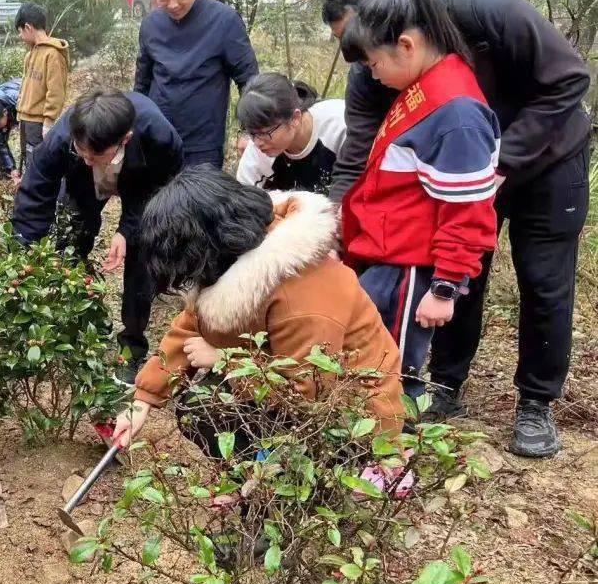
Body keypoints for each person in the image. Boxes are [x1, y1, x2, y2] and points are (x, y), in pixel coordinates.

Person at [324, 0, 591, 458]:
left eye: (360, 41)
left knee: (544, 280)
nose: (359, 61)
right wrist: (334, 217)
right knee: (458, 265)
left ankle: (535, 401)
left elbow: (569, 80)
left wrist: (500, 161)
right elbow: (361, 146)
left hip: (544, 156)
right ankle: (446, 382)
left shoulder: (486, 10)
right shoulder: (373, 66)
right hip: (460, 169)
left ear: (396, 18)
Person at [112, 168, 404, 452]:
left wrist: (224, 360)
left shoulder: (301, 295)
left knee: (207, 409)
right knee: (203, 406)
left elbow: (307, 394)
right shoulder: (236, 250)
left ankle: (267, 486)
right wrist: (143, 400)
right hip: (285, 374)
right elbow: (192, 323)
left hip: (352, 422)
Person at [338, 0, 498, 410]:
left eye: (374, 63)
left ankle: (392, 453)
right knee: (370, 355)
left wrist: (445, 288)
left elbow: (466, 210)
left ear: (406, 45)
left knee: (393, 366)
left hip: (409, 268)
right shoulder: (423, 86)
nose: (373, 76)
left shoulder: (456, 113)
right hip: (388, 255)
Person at [12, 89, 184, 384]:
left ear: (125, 139)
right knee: (71, 239)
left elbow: (159, 192)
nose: (89, 158)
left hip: (141, 183)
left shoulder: (159, 137)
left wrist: (127, 231)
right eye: (82, 151)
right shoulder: (64, 137)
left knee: (141, 262)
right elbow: (36, 191)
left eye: (96, 154)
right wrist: (27, 250)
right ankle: (74, 325)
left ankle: (132, 347)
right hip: (84, 185)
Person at [135, 0, 259, 168]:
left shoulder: (224, 21)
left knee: (199, 202)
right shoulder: (151, 25)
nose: (172, 4)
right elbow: (142, 84)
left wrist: (250, 130)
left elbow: (249, 80)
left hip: (203, 145)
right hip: (157, 138)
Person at [235, 73, 346, 195]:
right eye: (252, 134)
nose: (257, 143)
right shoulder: (257, 153)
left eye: (264, 133)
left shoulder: (341, 125)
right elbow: (243, 202)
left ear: (295, 118)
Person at [14, 3, 69, 171]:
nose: (21, 36)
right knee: (27, 161)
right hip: (26, 120)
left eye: (20, 31)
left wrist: (48, 121)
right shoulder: (31, 54)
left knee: (38, 164)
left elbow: (56, 91)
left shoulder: (52, 55)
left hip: (38, 123)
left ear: (28, 27)